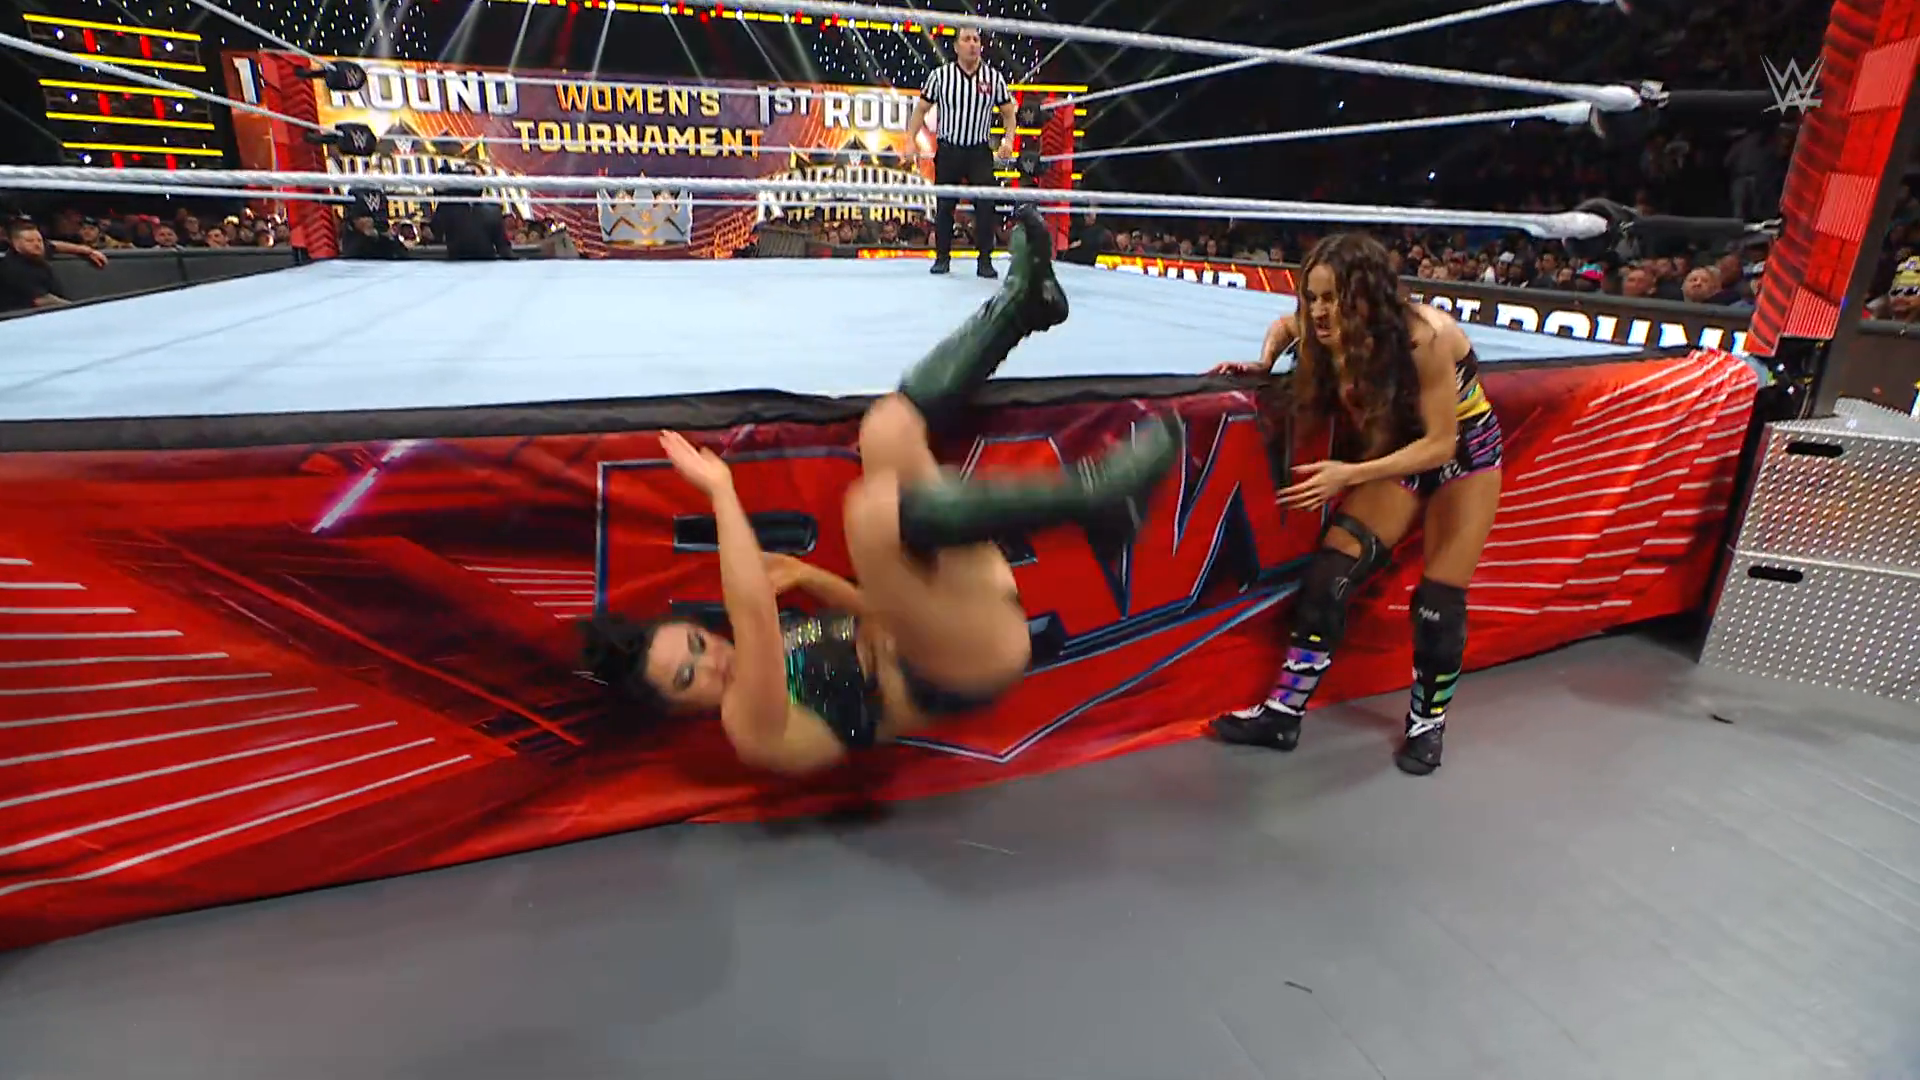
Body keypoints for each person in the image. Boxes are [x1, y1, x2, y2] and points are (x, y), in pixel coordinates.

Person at [582, 208, 1180, 775]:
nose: (711, 661)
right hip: (966, 663)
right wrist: (720, 491)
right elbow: (755, 614)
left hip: (955, 603)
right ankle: (1097, 501)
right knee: (869, 515)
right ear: (678, 709)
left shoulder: (759, 659)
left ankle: (1020, 306)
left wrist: (811, 578)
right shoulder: (749, 725)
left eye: (696, 644)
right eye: (688, 677)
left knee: (886, 430)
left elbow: (870, 613)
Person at [1207, 232, 1503, 776]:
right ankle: (1283, 714)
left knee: (1439, 602)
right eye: (1312, 297)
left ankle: (1428, 724)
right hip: (1398, 451)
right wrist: (1264, 362)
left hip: (1464, 453)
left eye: (1331, 298)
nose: (1319, 311)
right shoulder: (1326, 326)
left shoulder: (1424, 337)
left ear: (1363, 295)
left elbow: (1441, 444)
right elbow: (1285, 326)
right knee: (1331, 573)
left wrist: (1349, 474)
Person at [903, 27, 1017, 279]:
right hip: (949, 149)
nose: (973, 44)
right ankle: (942, 258)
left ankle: (985, 260)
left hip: (979, 151)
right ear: (956, 47)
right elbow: (920, 110)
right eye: (967, 39)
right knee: (945, 206)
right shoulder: (941, 76)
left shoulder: (993, 77)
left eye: (976, 39)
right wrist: (910, 140)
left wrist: (1008, 141)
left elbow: (1009, 114)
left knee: (986, 205)